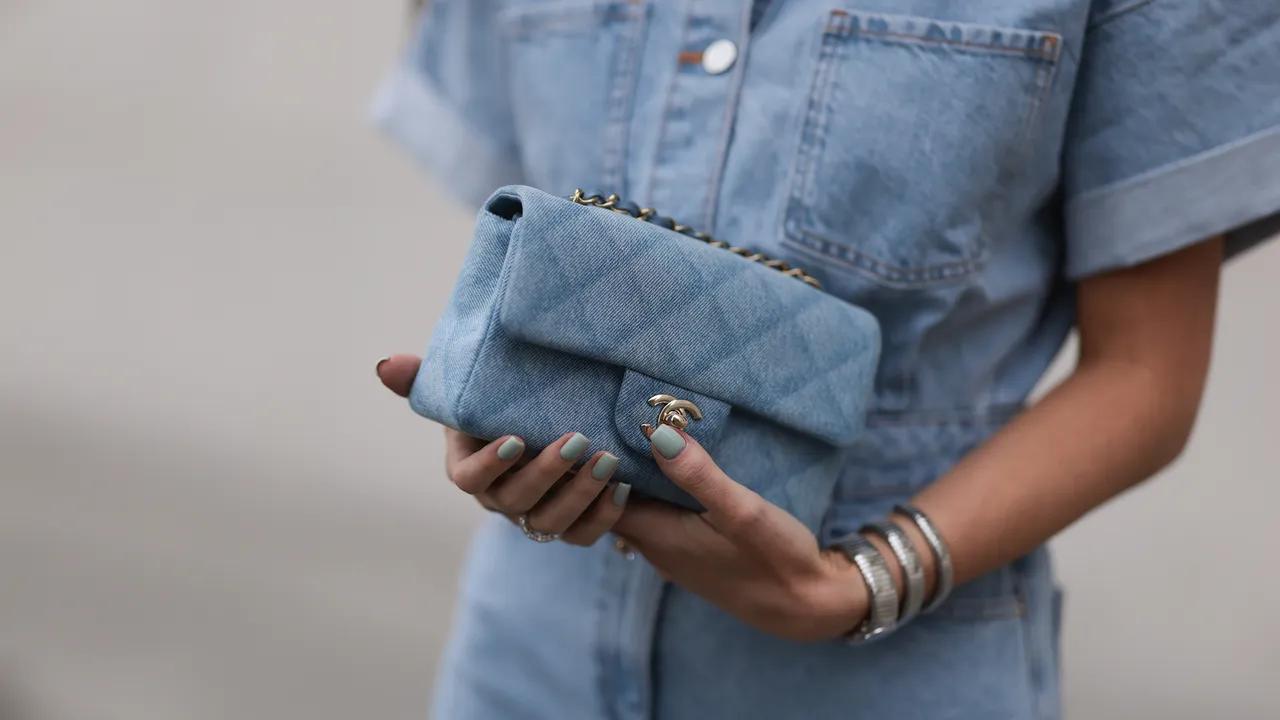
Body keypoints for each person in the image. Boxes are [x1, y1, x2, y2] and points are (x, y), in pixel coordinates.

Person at [372, 1, 1280, 717]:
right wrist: (490, 396)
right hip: (523, 660)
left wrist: (862, 583)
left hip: (887, 676)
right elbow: (524, 237)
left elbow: (1145, 378)